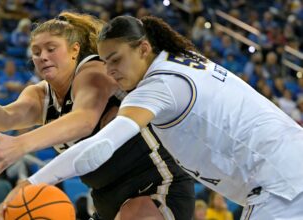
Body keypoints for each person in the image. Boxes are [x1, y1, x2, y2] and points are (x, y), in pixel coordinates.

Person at [22, 15, 303, 220]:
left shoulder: (158, 85)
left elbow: (100, 146)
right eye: (105, 61)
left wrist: (32, 183)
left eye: (116, 59)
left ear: (143, 48)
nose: (110, 71)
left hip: (280, 186)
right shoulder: (181, 58)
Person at [0, 12, 194, 220]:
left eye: (50, 49)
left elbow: (84, 119)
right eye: (36, 52)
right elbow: (7, 116)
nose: (42, 56)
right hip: (105, 198)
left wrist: (21, 144)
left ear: (74, 50)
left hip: (154, 184)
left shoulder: (94, 72)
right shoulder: (39, 95)